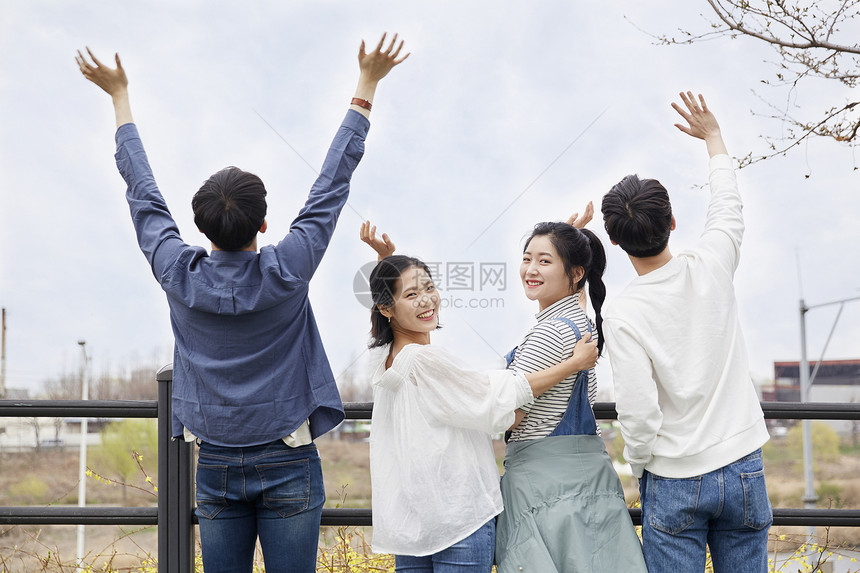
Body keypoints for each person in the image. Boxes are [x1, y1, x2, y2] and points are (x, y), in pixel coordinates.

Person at [76, 35, 408, 573]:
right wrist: (366, 85)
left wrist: (119, 98)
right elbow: (330, 188)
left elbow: (143, 195)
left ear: (201, 226)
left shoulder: (177, 272)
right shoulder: (289, 266)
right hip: (290, 456)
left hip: (216, 464)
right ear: (264, 223)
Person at [359, 223, 599, 572]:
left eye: (429, 287)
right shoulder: (425, 361)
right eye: (411, 295)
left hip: (413, 522)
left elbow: (384, 316)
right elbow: (498, 401)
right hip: (459, 516)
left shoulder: (384, 358)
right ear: (387, 309)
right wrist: (573, 363)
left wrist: (386, 263)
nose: (426, 300)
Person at [600, 92, 772, 573]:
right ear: (673, 223)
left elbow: (637, 411)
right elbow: (727, 206)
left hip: (674, 476)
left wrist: (643, 467)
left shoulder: (623, 312)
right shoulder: (712, 263)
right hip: (742, 462)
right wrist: (714, 139)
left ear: (614, 241)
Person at [494, 222, 648, 573]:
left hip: (542, 489)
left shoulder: (552, 331)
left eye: (545, 261)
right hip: (587, 482)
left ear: (576, 274)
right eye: (527, 258)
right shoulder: (581, 321)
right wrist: (571, 236)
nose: (531, 269)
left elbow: (509, 414)